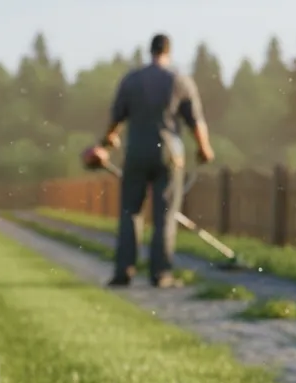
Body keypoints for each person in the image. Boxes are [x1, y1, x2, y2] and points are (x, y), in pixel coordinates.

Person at [91, 34, 215, 288]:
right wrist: (204, 148)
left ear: (150, 51)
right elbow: (196, 121)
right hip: (168, 154)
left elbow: (116, 119)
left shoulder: (132, 80)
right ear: (168, 51)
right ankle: (161, 273)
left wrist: (106, 142)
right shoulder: (179, 80)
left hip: (136, 151)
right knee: (165, 215)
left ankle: (124, 271)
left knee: (130, 212)